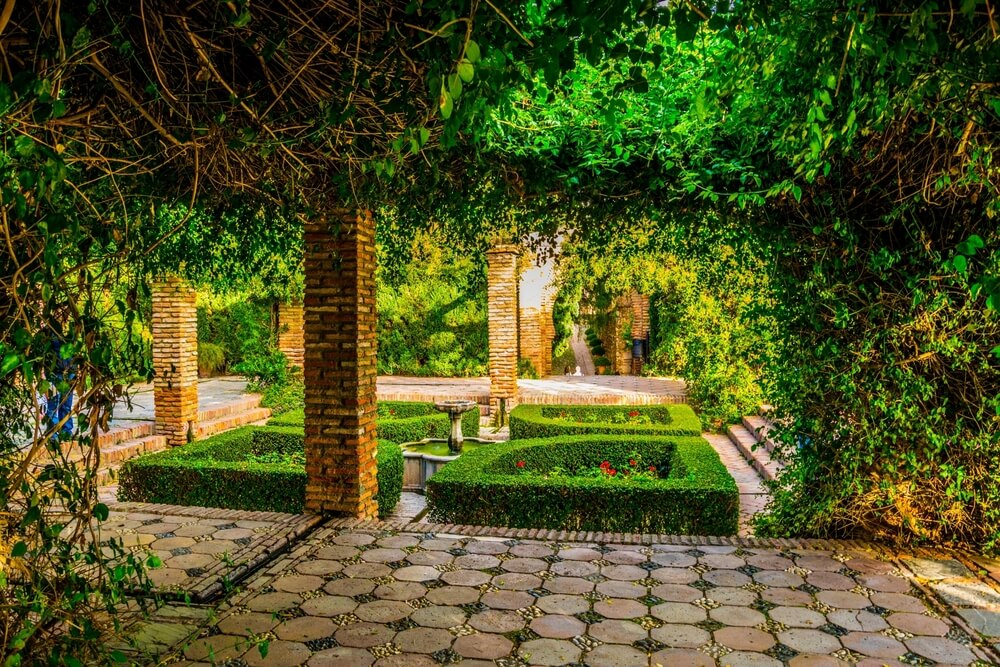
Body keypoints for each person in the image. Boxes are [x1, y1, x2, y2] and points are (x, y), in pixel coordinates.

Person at [44, 321, 76, 440]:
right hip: (53, 374)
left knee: (66, 405)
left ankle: (66, 431)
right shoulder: (49, 331)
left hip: (69, 374)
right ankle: (52, 434)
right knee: (53, 404)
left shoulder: (72, 329)